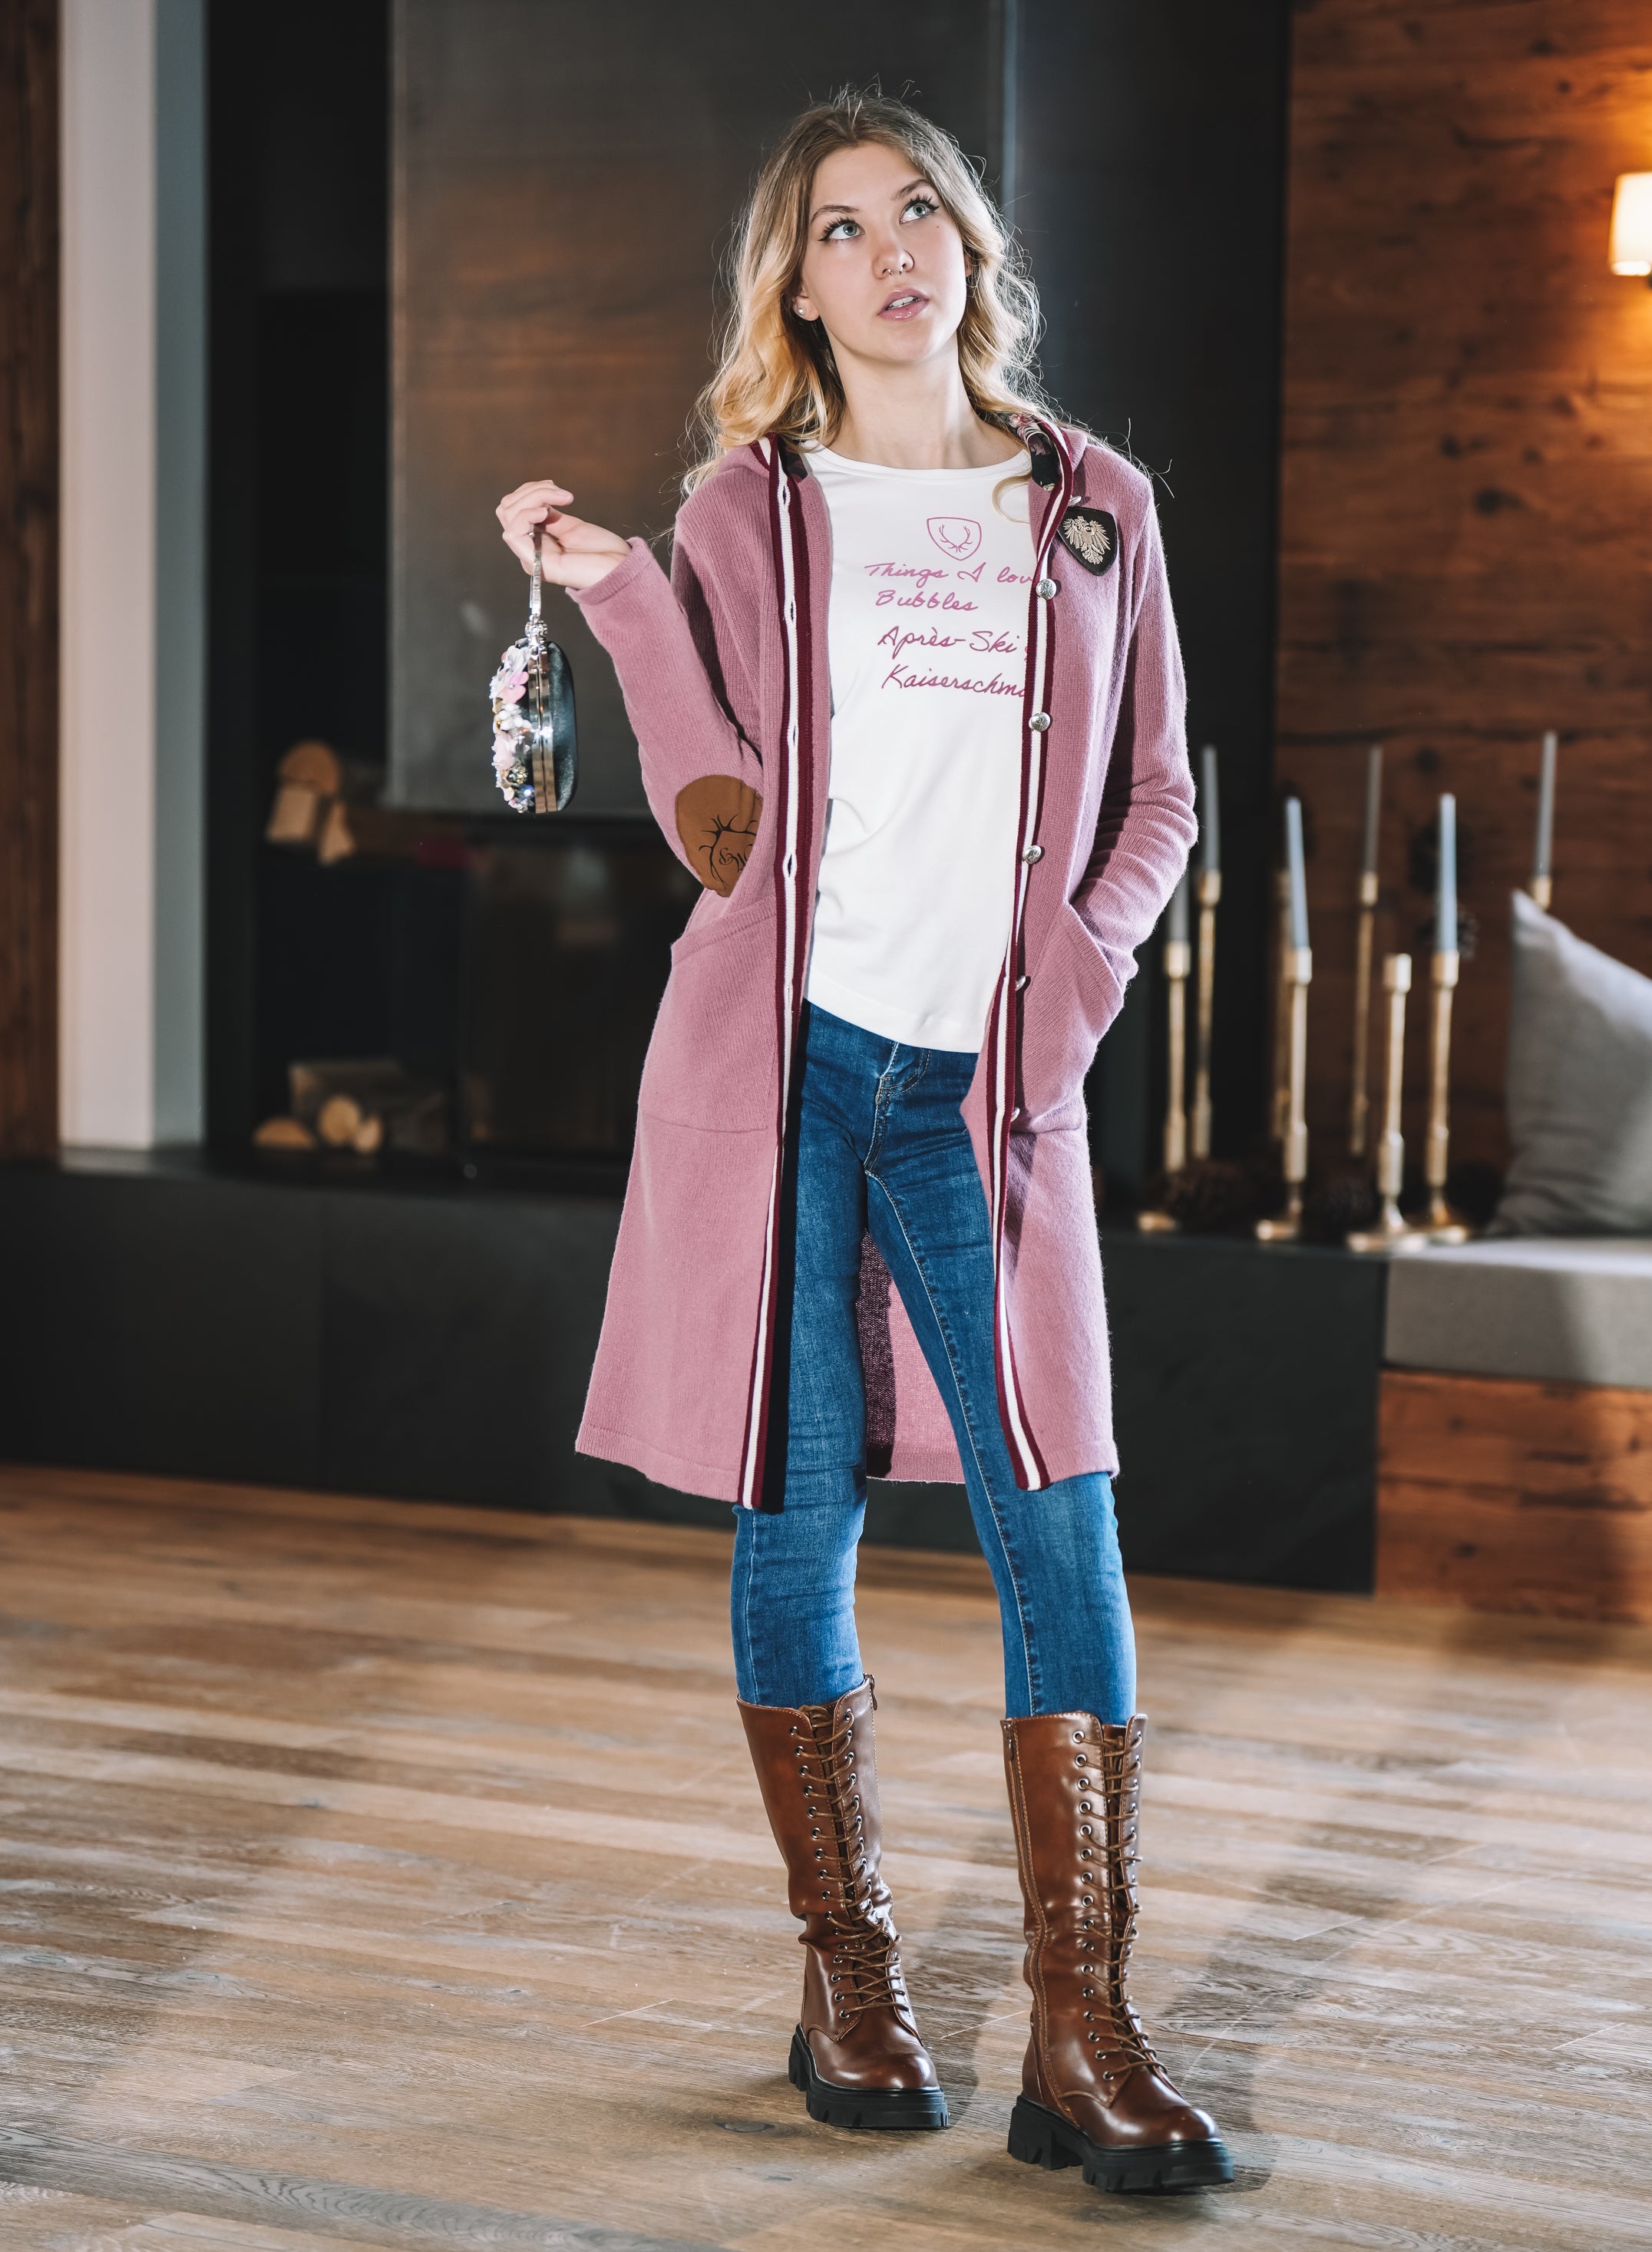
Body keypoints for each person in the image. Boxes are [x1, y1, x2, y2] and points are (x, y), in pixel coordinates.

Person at [495, 91, 1230, 2197]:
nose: (893, 248)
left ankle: (1085, 2032)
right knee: (796, 1509)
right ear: (797, 288)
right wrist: (627, 599)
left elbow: (1158, 797)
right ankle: (852, 1980)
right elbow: (720, 823)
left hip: (991, 1091)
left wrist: (1072, 981)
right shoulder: (752, 509)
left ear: (973, 248)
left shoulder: (1091, 506)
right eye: (841, 227)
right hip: (791, 1069)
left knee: (1059, 1517)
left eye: (922, 210)